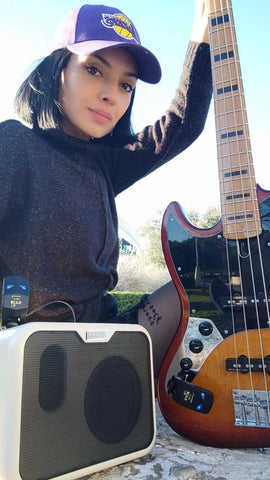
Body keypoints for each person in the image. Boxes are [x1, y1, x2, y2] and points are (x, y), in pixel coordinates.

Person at [0, 1, 212, 378]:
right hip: (29, 356)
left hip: (103, 342)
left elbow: (182, 124)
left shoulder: (105, 164)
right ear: (57, 70)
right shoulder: (13, 145)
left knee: (192, 292)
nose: (111, 94)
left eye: (126, 84)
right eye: (94, 69)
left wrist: (205, 30)